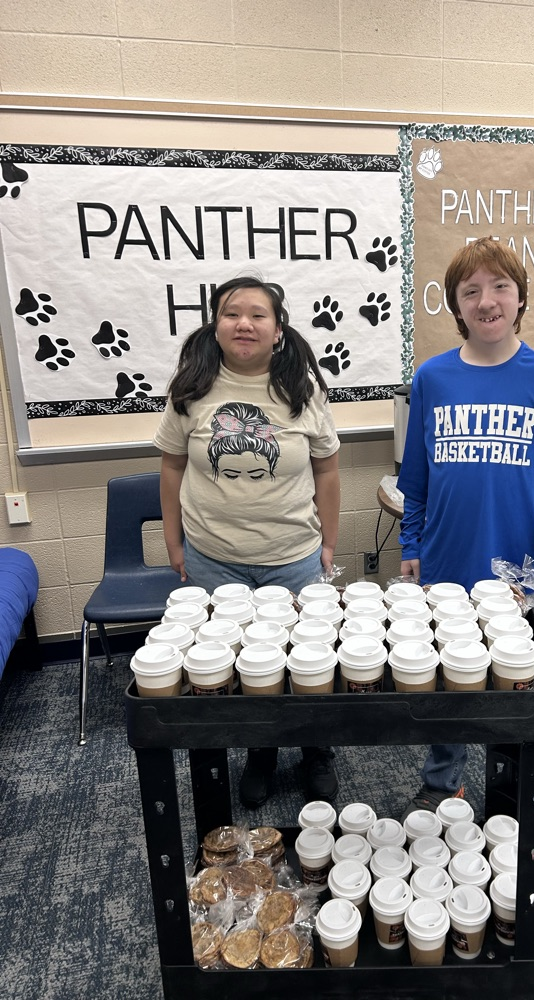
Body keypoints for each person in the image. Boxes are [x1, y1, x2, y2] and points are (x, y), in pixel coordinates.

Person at [397, 238, 534, 818]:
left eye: (500, 286)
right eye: (471, 290)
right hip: (445, 560)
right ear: (456, 305)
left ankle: (508, 784)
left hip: (517, 568)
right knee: (447, 679)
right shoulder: (432, 378)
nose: (487, 301)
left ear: (520, 297)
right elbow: (416, 477)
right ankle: (442, 780)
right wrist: (411, 543)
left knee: (512, 682)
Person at [154, 275, 341, 808]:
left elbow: (328, 470)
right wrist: (173, 544)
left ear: (278, 330)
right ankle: (261, 752)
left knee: (308, 662)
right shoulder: (191, 389)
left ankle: (316, 750)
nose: (244, 324)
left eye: (258, 315)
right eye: (232, 313)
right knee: (244, 669)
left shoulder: (302, 389)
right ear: (215, 325)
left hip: (293, 557)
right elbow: (171, 468)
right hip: (214, 560)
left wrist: (328, 544)